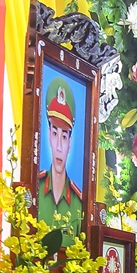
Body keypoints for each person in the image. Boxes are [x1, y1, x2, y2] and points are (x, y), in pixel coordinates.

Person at [37, 76, 85, 231]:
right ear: (49, 135)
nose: (59, 146)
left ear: (70, 143)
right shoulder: (34, 190)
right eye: (55, 133)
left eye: (64, 136)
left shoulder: (79, 203)